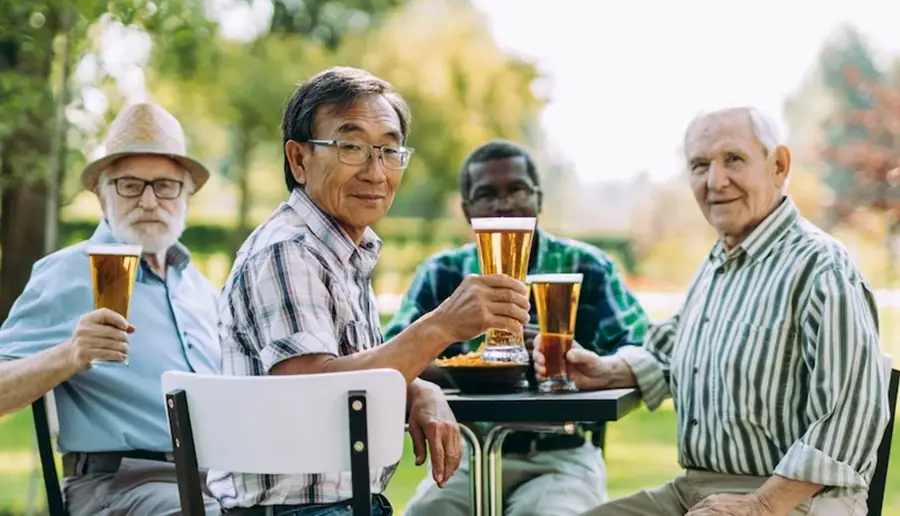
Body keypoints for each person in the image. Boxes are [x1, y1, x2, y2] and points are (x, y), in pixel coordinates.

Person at [533, 107, 890, 516]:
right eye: (700, 166)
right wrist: (608, 370)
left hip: (799, 501)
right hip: (699, 490)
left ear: (779, 165)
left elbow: (852, 415)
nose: (716, 181)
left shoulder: (821, 266)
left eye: (733, 159)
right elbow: (670, 350)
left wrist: (761, 504)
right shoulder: (719, 262)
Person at [211, 67, 531, 516]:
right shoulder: (288, 251)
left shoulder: (342, 251)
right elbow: (309, 392)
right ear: (299, 159)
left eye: (388, 149)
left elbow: (350, 371)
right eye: (352, 147)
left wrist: (417, 387)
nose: (376, 171)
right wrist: (440, 327)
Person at [385, 139, 650, 516]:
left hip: (560, 456)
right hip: (466, 457)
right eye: (487, 194)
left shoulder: (587, 267)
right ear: (467, 209)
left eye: (517, 190)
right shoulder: (442, 273)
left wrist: (576, 359)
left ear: (539, 198)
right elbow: (389, 361)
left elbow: (641, 349)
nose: (503, 204)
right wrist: (477, 367)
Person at [0, 102, 222, 516]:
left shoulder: (201, 289)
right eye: (130, 185)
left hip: (218, 484)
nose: (150, 200)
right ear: (103, 198)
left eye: (166, 186)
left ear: (186, 197)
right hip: (119, 485)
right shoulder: (68, 273)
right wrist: (71, 354)